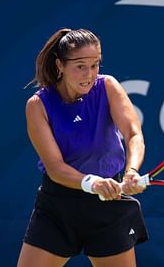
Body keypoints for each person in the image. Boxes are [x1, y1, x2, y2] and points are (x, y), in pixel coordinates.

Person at [17, 28, 148, 267]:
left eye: (95, 65)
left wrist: (131, 171)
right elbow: (55, 168)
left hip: (107, 203)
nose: (89, 74)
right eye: (80, 66)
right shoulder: (38, 105)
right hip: (57, 207)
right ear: (60, 65)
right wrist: (93, 183)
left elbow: (133, 134)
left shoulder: (107, 86)